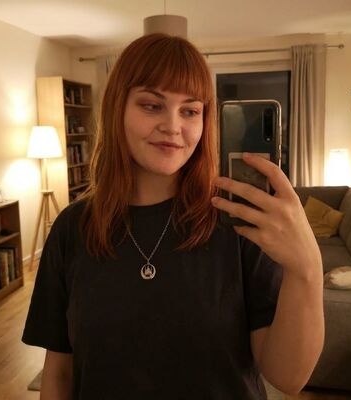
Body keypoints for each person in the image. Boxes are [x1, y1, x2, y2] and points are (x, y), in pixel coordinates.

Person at [22, 33, 324, 400]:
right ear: (117, 108)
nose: (173, 125)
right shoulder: (72, 228)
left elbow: (288, 377)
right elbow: (60, 373)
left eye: (190, 111)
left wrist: (307, 268)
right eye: (152, 105)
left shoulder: (238, 220)